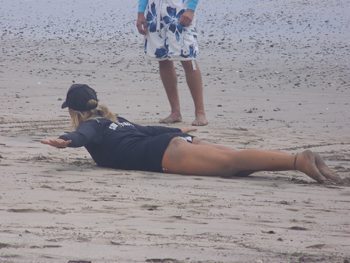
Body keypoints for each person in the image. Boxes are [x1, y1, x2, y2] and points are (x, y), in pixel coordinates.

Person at [41, 84, 344, 185]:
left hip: (164, 154)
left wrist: (65, 141)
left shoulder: (91, 126)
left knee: (233, 163)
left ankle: (297, 161)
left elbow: (81, 136)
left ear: (76, 112)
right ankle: (297, 160)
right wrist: (179, 130)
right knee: (235, 163)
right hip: (169, 143)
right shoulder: (114, 118)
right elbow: (147, 129)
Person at [136, 0, 208, 126]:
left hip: (179, 8)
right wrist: (140, 12)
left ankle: (200, 113)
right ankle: (175, 112)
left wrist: (191, 9)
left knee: (188, 58)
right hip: (155, 11)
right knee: (163, 59)